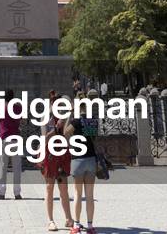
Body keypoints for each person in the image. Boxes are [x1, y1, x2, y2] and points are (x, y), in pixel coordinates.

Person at [65, 91, 99, 234]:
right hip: (91, 158)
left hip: (78, 159)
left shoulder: (76, 121)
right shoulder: (92, 120)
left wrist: (70, 114)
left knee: (78, 194)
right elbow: (95, 137)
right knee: (90, 195)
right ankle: (90, 226)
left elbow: (65, 132)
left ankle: (77, 225)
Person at [40, 93, 73, 231]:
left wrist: (66, 122)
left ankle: (68, 218)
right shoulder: (46, 118)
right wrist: (55, 129)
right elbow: (44, 138)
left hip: (62, 155)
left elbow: (68, 136)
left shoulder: (65, 118)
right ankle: (50, 220)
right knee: (50, 187)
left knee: (63, 187)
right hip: (49, 156)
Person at [0, 89, 23, 200]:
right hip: (16, 138)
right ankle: (17, 193)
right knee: (17, 167)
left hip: (4, 138)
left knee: (3, 166)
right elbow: (22, 119)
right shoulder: (17, 108)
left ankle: (1, 193)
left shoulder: (1, 108)